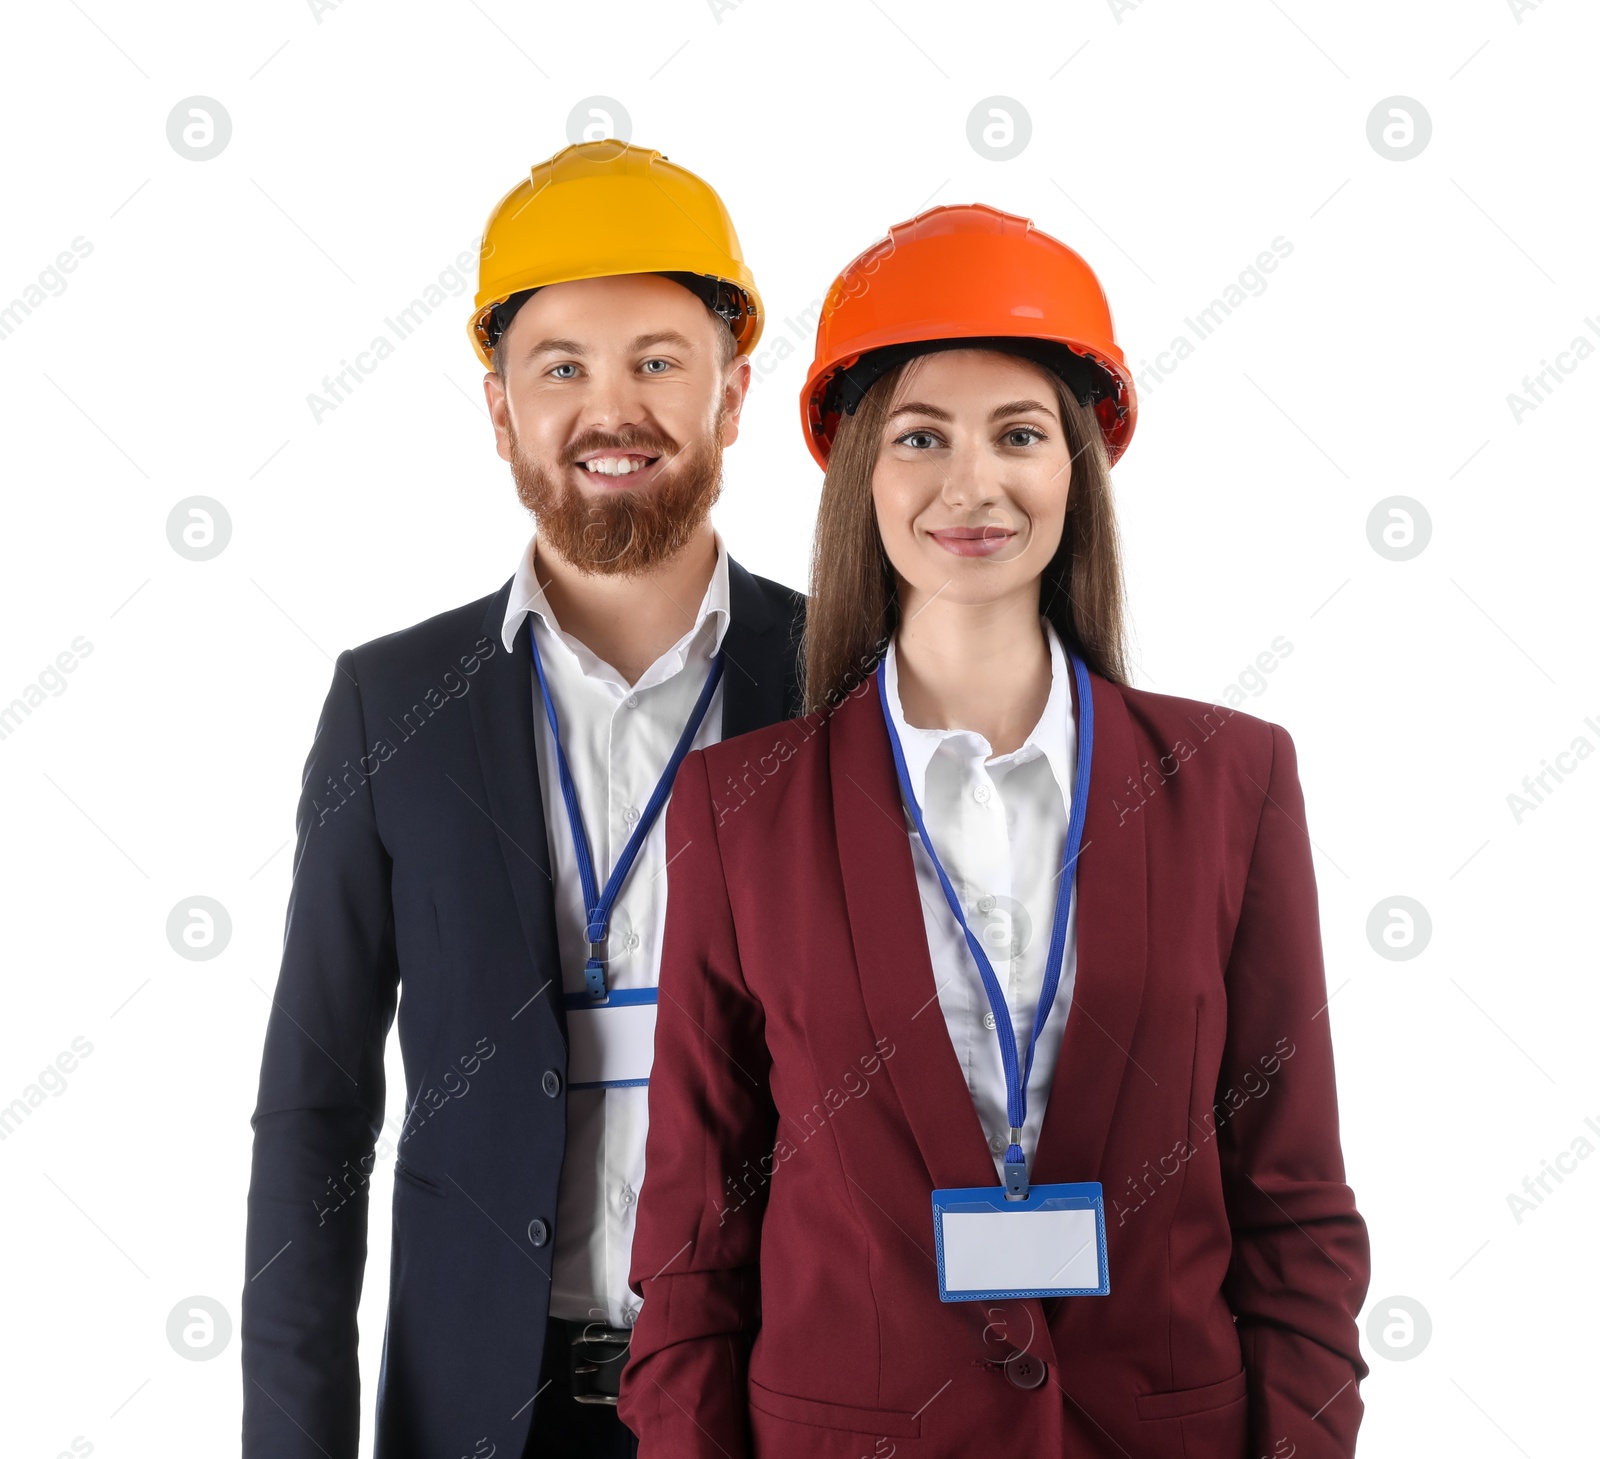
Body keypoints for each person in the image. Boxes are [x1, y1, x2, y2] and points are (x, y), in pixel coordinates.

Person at [620, 204, 1371, 1458]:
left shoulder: (1234, 780)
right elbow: (695, 1241)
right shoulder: (737, 809)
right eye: (921, 436)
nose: (973, 483)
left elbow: (1292, 1204)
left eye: (1018, 434)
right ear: (862, 470)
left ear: (1077, 463)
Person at [241, 141, 805, 1459]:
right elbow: (316, 1109)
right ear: (499, 409)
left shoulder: (846, 681)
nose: (612, 408)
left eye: (658, 359)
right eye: (563, 367)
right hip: (479, 1414)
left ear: (732, 398)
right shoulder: (392, 704)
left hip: (779, 1401)